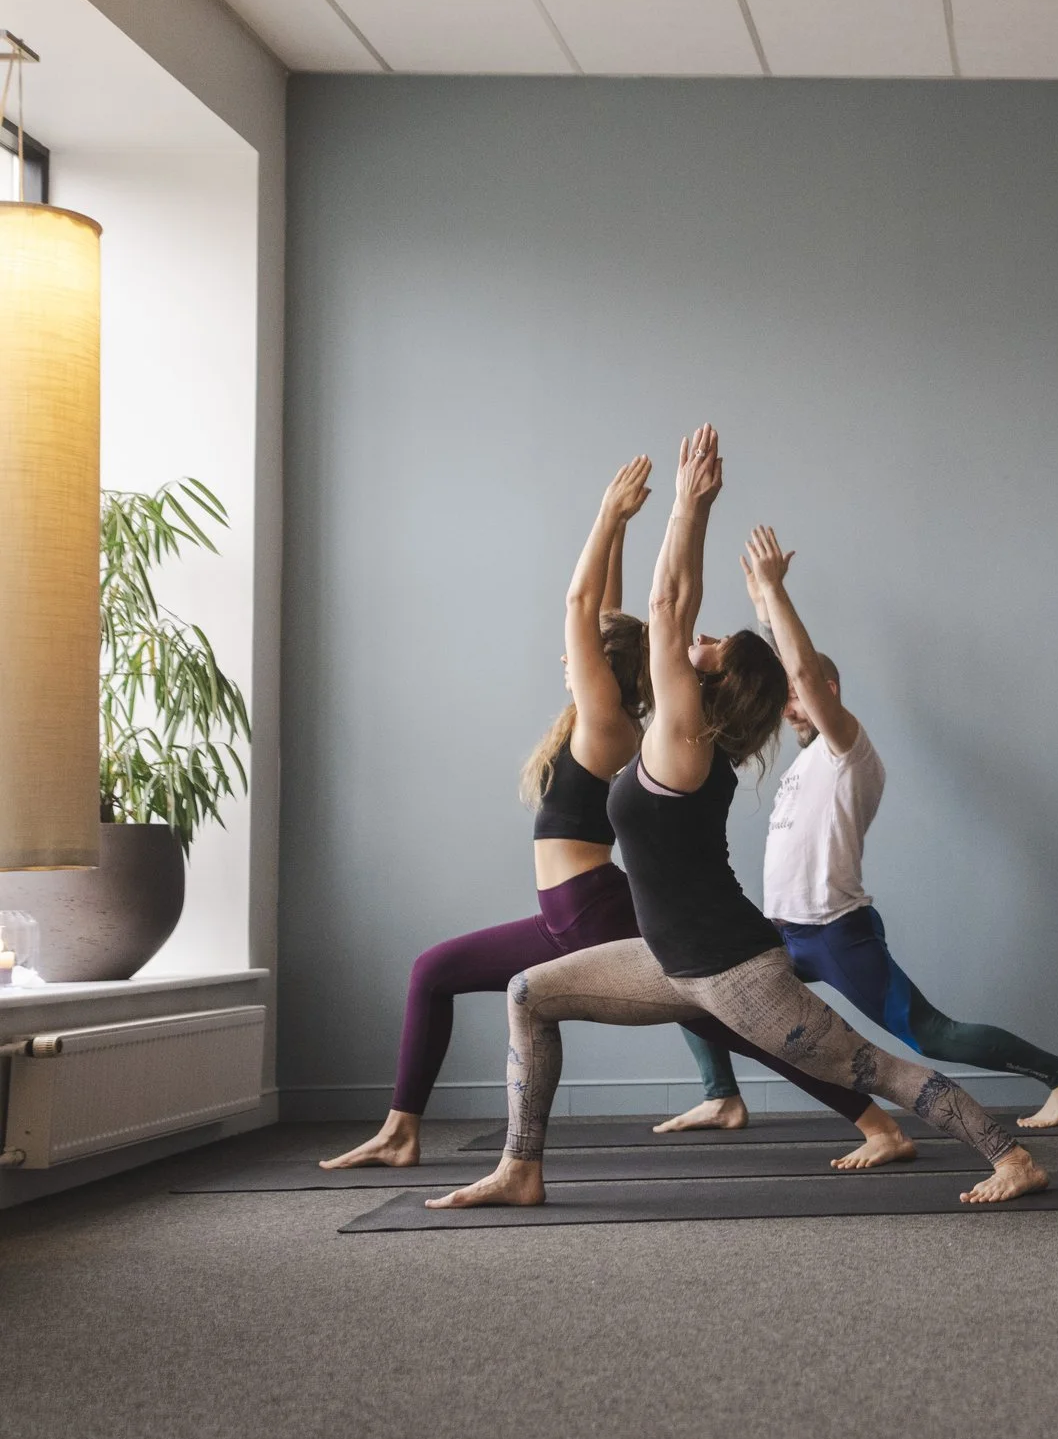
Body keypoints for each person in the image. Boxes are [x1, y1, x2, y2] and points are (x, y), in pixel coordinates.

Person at [428, 427, 1046, 1208]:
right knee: (527, 993)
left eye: (711, 646)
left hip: (735, 971)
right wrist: (659, 521)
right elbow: (646, 614)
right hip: (672, 962)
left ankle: (1011, 1155)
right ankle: (521, 1168)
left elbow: (664, 604)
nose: (697, 640)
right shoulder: (675, 733)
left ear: (717, 683)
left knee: (873, 1066)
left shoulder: (685, 743)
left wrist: (691, 506)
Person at [322, 457, 911, 1171]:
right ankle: (402, 1127)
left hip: (592, 909)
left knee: (734, 1013)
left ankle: (871, 1116)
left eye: (582, 658)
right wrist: (623, 530)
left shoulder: (607, 724)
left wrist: (609, 511)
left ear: (606, 669)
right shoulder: (608, 711)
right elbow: (601, 614)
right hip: (562, 913)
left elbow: (579, 607)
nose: (566, 660)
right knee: (436, 971)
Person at [663, 525, 1058, 1132]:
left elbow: (805, 678)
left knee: (929, 1034)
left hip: (835, 934)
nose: (784, 704)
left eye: (796, 694)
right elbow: (785, 672)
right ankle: (722, 1094)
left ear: (828, 693)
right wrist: (764, 609)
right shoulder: (806, 758)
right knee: (693, 984)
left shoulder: (849, 750)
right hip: (780, 933)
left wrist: (774, 597)